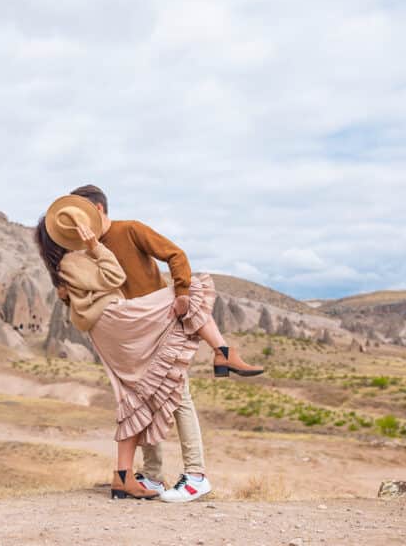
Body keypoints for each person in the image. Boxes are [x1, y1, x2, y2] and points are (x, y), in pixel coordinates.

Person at [66, 184, 263, 503]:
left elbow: (176, 255)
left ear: (98, 210)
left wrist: (183, 293)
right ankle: (153, 475)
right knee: (142, 401)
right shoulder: (84, 251)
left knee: (179, 395)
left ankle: (197, 476)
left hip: (162, 325)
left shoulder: (130, 230)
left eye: (81, 214)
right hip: (133, 337)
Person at [36, 195, 216, 501]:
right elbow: (114, 277)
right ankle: (188, 474)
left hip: (125, 329)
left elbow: (75, 305)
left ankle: (152, 475)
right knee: (156, 392)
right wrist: (95, 247)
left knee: (142, 394)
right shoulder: (77, 258)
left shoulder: (79, 259)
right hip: (129, 325)